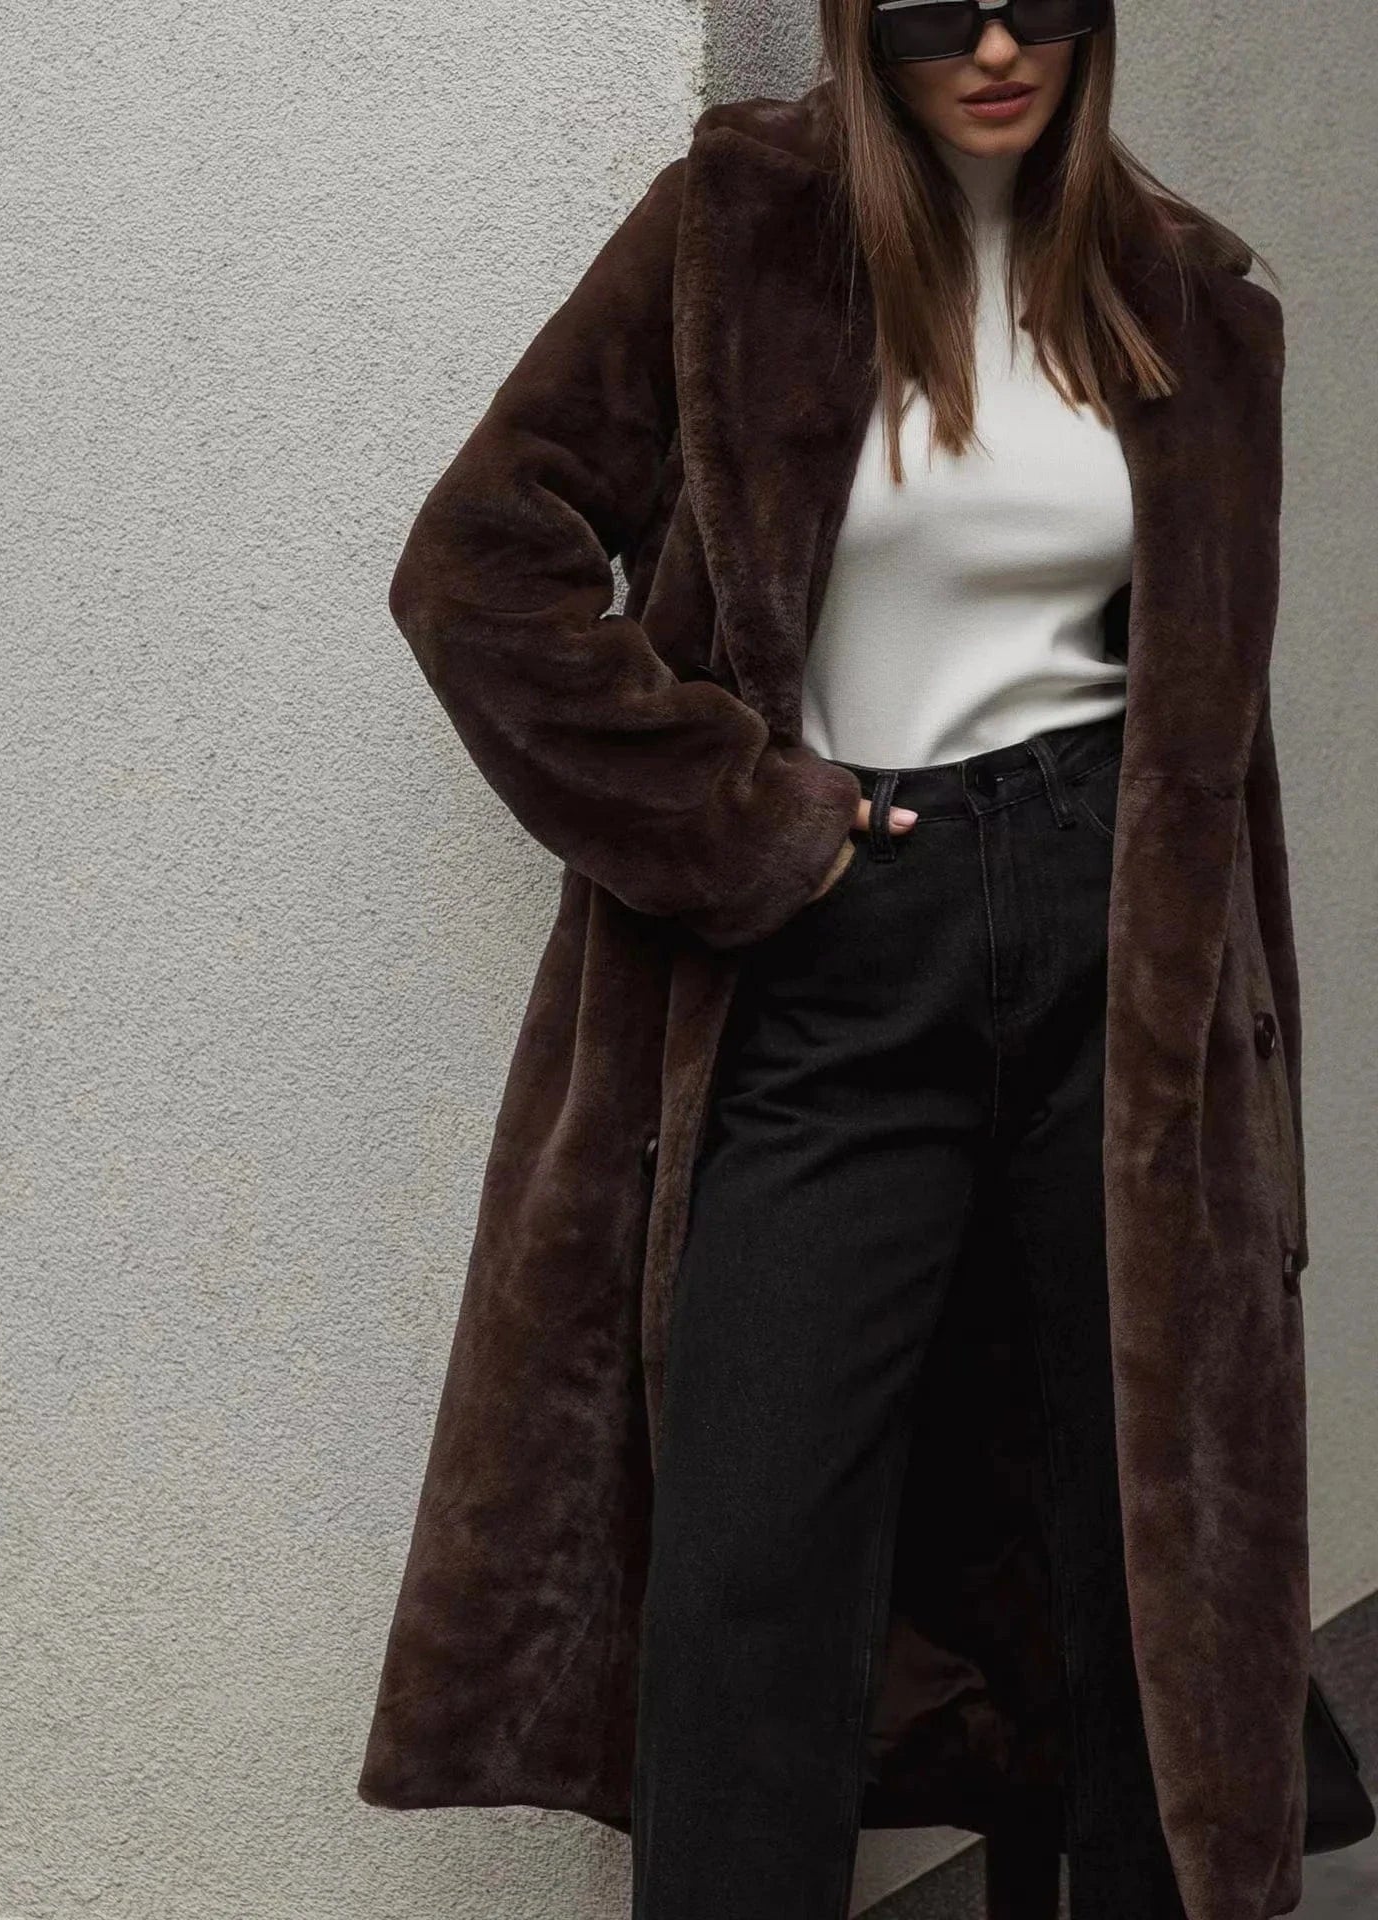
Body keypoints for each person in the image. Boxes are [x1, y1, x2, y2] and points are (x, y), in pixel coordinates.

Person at [360, 3, 1313, 1917]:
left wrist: (1235, 1043)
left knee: (1139, 1557)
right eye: (937, 9)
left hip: (1119, 963)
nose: (996, 45)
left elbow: (1217, 739)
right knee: (754, 1562)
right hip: (847, 940)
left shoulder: (1191, 296)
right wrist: (751, 825)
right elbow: (478, 563)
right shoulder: (739, 226)